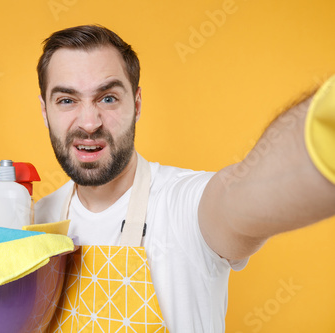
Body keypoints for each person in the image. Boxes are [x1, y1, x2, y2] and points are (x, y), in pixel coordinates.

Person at [34, 24, 335, 332]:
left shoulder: (184, 207)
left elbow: (241, 194)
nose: (88, 122)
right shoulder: (35, 223)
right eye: (67, 100)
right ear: (45, 111)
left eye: (108, 98)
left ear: (136, 105)